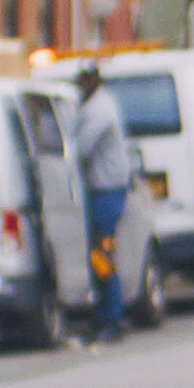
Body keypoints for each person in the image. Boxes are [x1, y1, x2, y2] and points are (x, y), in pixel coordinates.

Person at [70, 64, 133, 345]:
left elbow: (81, 148)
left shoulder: (99, 110)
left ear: (95, 80)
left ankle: (112, 318)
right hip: (103, 187)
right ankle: (104, 315)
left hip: (107, 188)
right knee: (100, 253)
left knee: (102, 253)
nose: (82, 84)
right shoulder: (96, 105)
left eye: (86, 80)